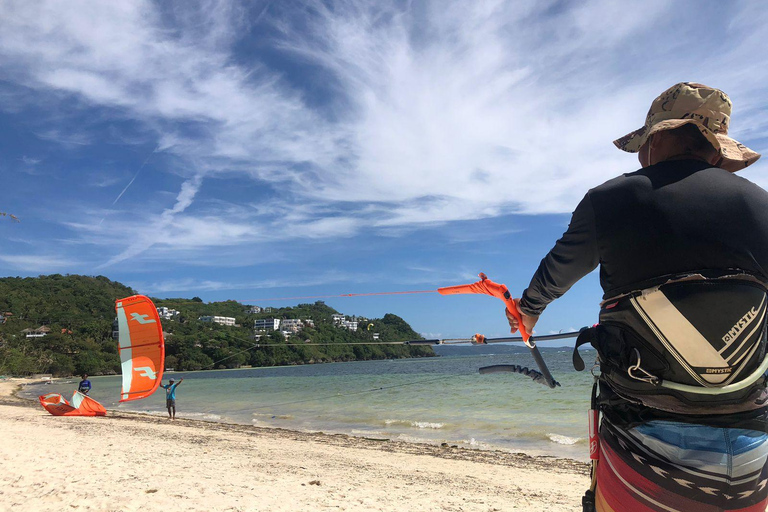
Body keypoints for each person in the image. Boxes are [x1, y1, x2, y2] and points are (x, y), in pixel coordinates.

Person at [507, 82, 768, 512]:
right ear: (717, 148)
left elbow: (556, 273)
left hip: (645, 444)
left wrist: (527, 312)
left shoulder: (611, 200)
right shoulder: (760, 205)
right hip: (752, 447)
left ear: (660, 137)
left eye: (645, 142)